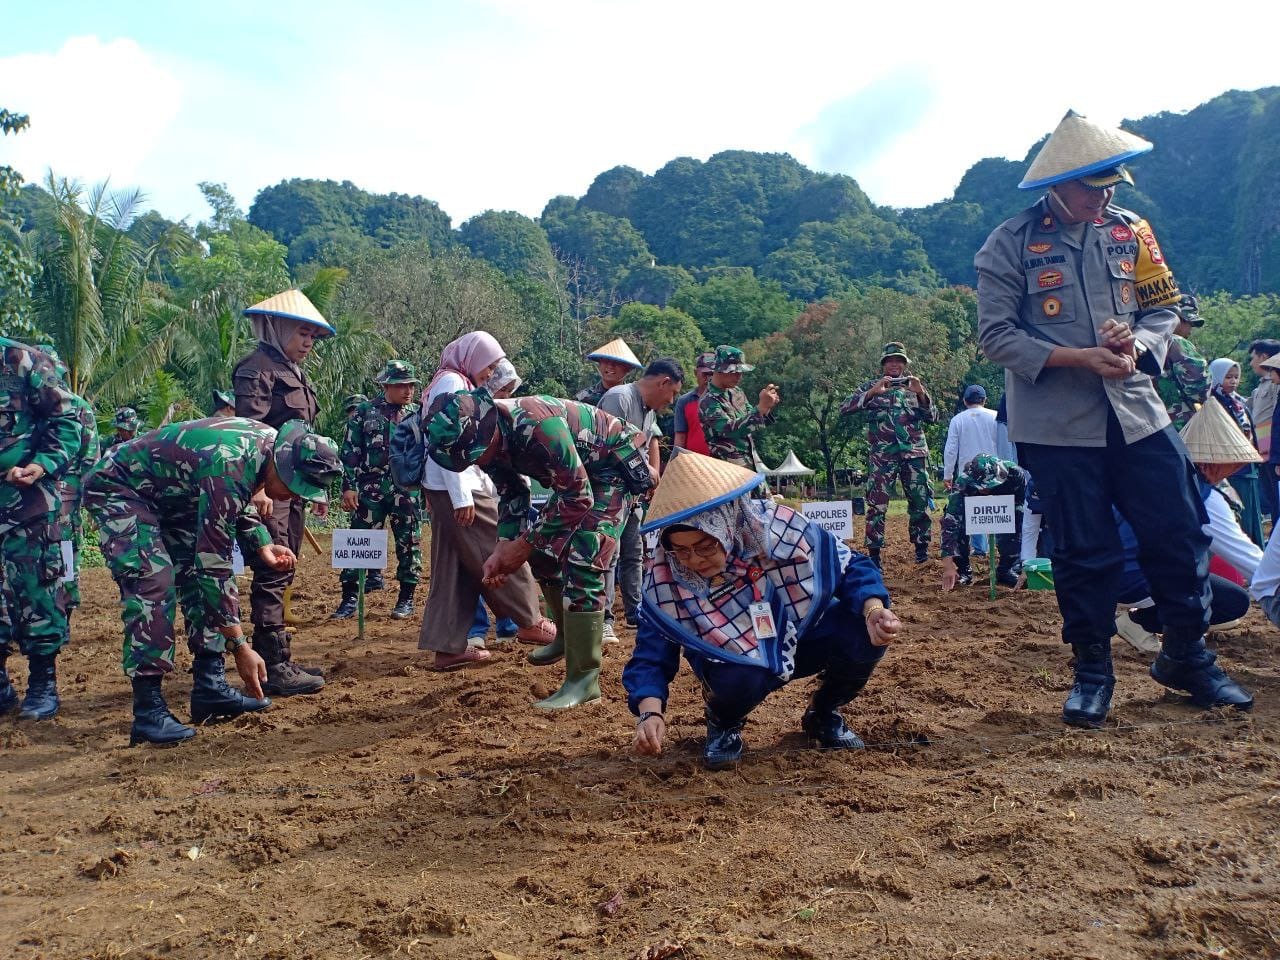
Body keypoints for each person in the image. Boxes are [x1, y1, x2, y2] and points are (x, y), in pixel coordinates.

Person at [975, 109, 1251, 729]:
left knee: (1180, 528)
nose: (1103, 198)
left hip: (1138, 410)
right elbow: (997, 337)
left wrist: (1142, 344)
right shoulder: (1010, 243)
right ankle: (1092, 671)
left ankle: (1186, 654)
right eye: (1092, 187)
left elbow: (1168, 308)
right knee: (1083, 549)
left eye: (1110, 187)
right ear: (1059, 184)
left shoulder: (1131, 232)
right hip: (1056, 423)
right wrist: (1077, 357)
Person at [623, 452, 900, 770]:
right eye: (681, 550)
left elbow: (851, 566)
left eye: (705, 546)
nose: (695, 561)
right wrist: (650, 712)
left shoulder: (775, 528)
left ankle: (823, 712)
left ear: (725, 527)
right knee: (743, 676)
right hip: (733, 659)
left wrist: (874, 608)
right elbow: (651, 652)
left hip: (801, 636)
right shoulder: (666, 576)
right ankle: (723, 722)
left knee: (861, 631)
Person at [84, 418, 341, 745]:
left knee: (196, 578)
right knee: (153, 583)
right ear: (284, 466)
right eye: (294, 487)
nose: (293, 496)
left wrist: (260, 543)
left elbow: (235, 498)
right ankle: (148, 712)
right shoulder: (232, 461)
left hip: (173, 495)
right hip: (121, 488)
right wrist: (239, 646)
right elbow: (215, 561)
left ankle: (210, 688)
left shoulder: (267, 449)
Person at [425, 389, 654, 708]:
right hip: (576, 481)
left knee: (584, 559)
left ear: (489, 427)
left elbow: (579, 496)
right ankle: (564, 635)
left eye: (474, 452)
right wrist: (503, 547)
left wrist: (523, 545)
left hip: (610, 472)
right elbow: (513, 492)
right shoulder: (488, 442)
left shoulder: (538, 427)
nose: (475, 459)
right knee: (544, 556)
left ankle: (583, 681)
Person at [419, 336, 555, 671]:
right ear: (471, 358)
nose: (490, 373)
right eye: (489, 365)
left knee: (454, 568)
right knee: (496, 544)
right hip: (459, 487)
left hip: (446, 488)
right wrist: (462, 495)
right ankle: (530, 620)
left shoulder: (450, 379)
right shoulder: (452, 382)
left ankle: (448, 646)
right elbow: (449, 441)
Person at [233, 288, 334, 697]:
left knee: (286, 563)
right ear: (276, 327)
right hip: (267, 488)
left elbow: (300, 439)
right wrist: (257, 489)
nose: (308, 342)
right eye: (302, 333)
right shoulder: (256, 369)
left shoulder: (291, 369)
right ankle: (272, 664)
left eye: (313, 336)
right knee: (273, 568)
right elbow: (251, 432)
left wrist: (313, 488)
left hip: (290, 488)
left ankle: (280, 656)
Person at [1115, 398, 1265, 650]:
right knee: (1233, 602)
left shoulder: (1154, 477)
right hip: (1139, 576)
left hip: (1107, 571)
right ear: (1211, 463)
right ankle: (1139, 621)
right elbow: (1251, 563)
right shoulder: (1203, 496)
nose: (1236, 469)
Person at [0, 338, 81, 720]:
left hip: (28, 498)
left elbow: (68, 420)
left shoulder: (24, 361)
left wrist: (43, 463)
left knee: (38, 589)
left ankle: (42, 682)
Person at [598, 358, 685, 639]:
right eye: (672, 394)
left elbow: (648, 445)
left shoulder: (648, 413)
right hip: (606, 490)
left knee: (633, 553)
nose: (670, 401)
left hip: (631, 494)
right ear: (664, 383)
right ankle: (604, 618)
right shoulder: (619, 398)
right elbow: (609, 445)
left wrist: (650, 476)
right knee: (607, 554)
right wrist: (644, 468)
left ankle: (635, 611)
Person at [332, 360, 425, 621]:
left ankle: (405, 599)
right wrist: (348, 487)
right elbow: (350, 451)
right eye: (401, 385)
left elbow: (425, 452)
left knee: (409, 542)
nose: (408, 391)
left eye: (411, 385)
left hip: (405, 490)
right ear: (386, 385)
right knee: (358, 542)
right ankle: (349, 597)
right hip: (369, 490)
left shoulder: (418, 413)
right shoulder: (364, 412)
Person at [841, 342, 938, 567]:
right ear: (883, 364)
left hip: (914, 455)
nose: (895, 364)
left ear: (905, 364)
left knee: (920, 502)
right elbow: (844, 408)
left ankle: (921, 551)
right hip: (882, 457)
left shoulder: (914, 386)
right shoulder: (871, 387)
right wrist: (873, 392)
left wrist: (922, 394)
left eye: (899, 360)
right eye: (890, 360)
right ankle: (874, 554)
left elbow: (933, 417)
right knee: (876, 505)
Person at [939, 455, 1025, 591]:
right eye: (981, 486)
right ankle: (963, 571)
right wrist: (948, 565)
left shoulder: (1015, 474)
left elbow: (1020, 511)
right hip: (971, 505)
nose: (985, 489)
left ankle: (1005, 570)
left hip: (1004, 504)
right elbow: (950, 523)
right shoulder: (963, 483)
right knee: (959, 526)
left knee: (1016, 522)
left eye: (990, 484)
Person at [1208, 357, 1264, 546]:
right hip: (1228, 468)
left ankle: (1255, 547)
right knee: (1238, 513)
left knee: (1252, 511)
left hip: (1248, 466)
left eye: (1236, 377)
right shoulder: (1210, 403)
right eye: (1228, 377)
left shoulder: (1238, 402)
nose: (1233, 381)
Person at [699, 345, 779, 475]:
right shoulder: (708, 401)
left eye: (740, 372)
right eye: (734, 372)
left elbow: (750, 421)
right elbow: (729, 430)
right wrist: (761, 408)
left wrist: (766, 407)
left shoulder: (737, 392)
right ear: (719, 370)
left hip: (750, 462)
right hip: (727, 470)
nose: (739, 376)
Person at [1155, 295, 1209, 432]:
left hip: (1147, 424)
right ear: (1176, 319)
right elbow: (1200, 388)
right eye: (1189, 323)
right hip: (1178, 423)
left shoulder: (1143, 339)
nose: (1190, 329)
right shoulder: (1177, 343)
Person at [1248, 339, 1280, 522]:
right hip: (1264, 450)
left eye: (1254, 358)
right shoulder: (1261, 385)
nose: (1251, 363)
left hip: (1273, 451)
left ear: (1264, 357)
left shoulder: (1275, 384)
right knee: (1271, 496)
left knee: (1276, 495)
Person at [575, 337, 643, 406]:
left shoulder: (634, 400)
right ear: (600, 364)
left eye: (617, 362)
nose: (610, 366)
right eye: (606, 360)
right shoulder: (583, 398)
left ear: (628, 369)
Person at [673, 351, 716, 455]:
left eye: (712, 374)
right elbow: (680, 437)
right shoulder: (685, 401)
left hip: (722, 464)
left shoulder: (727, 399)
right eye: (705, 374)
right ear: (695, 373)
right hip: (693, 463)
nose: (709, 379)